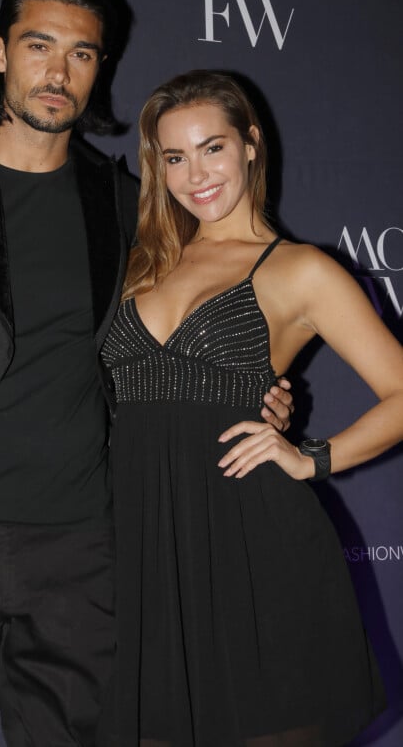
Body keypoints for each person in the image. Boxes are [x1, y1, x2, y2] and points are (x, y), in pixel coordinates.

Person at [0, 0, 292, 746]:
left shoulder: (127, 203)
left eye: (81, 54)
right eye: (39, 46)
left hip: (82, 547)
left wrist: (256, 394)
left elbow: (174, 342)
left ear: (99, 68)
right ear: (1, 52)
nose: (58, 72)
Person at [99, 70, 403, 747]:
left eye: (213, 147)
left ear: (251, 145)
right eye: (174, 157)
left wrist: (311, 458)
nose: (195, 174)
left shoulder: (301, 270)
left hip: (250, 546)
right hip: (142, 549)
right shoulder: (139, 262)